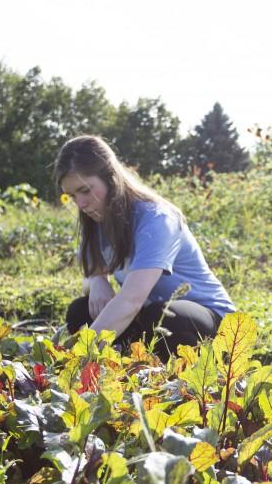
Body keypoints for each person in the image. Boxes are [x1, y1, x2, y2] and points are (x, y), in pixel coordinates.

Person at [55, 135, 235, 359]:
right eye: (72, 195)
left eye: (85, 190)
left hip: (212, 323)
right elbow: (92, 273)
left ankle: (197, 364)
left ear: (110, 178)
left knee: (162, 316)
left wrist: (80, 356)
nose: (80, 204)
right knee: (81, 311)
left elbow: (131, 299)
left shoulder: (156, 219)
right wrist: (97, 280)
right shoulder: (97, 220)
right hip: (150, 314)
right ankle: (132, 360)